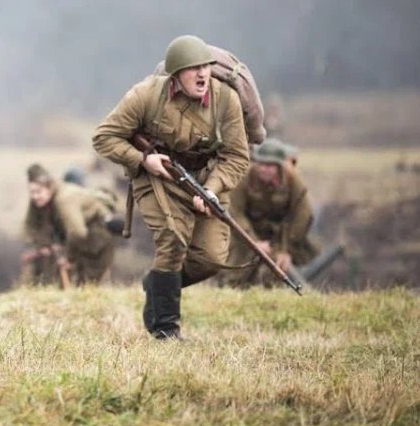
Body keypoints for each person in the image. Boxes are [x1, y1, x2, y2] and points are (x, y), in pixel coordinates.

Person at [93, 35, 250, 339]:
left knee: (211, 258)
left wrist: (214, 188)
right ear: (176, 73)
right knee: (173, 239)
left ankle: (157, 284)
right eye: (194, 68)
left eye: (206, 66)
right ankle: (165, 329)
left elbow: (236, 157)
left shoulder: (226, 100)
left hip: (204, 181)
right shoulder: (146, 95)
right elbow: (104, 137)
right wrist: (142, 160)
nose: (203, 73)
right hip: (156, 178)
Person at [221, 139, 316, 288]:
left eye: (270, 165)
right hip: (247, 231)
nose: (264, 169)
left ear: (279, 166)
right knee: (236, 274)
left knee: (278, 270)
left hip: (281, 234)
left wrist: (286, 249)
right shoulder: (244, 177)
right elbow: (235, 212)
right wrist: (254, 241)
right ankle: (233, 292)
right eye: (261, 164)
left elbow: (302, 215)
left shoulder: (293, 179)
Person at [21, 164, 123, 287]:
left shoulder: (64, 199)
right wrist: (44, 245)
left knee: (91, 285)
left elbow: (77, 232)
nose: (35, 196)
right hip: (77, 236)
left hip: (97, 234)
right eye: (32, 192)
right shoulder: (40, 199)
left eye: (38, 192)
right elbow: (31, 226)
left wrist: (67, 257)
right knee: (65, 281)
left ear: (49, 187)